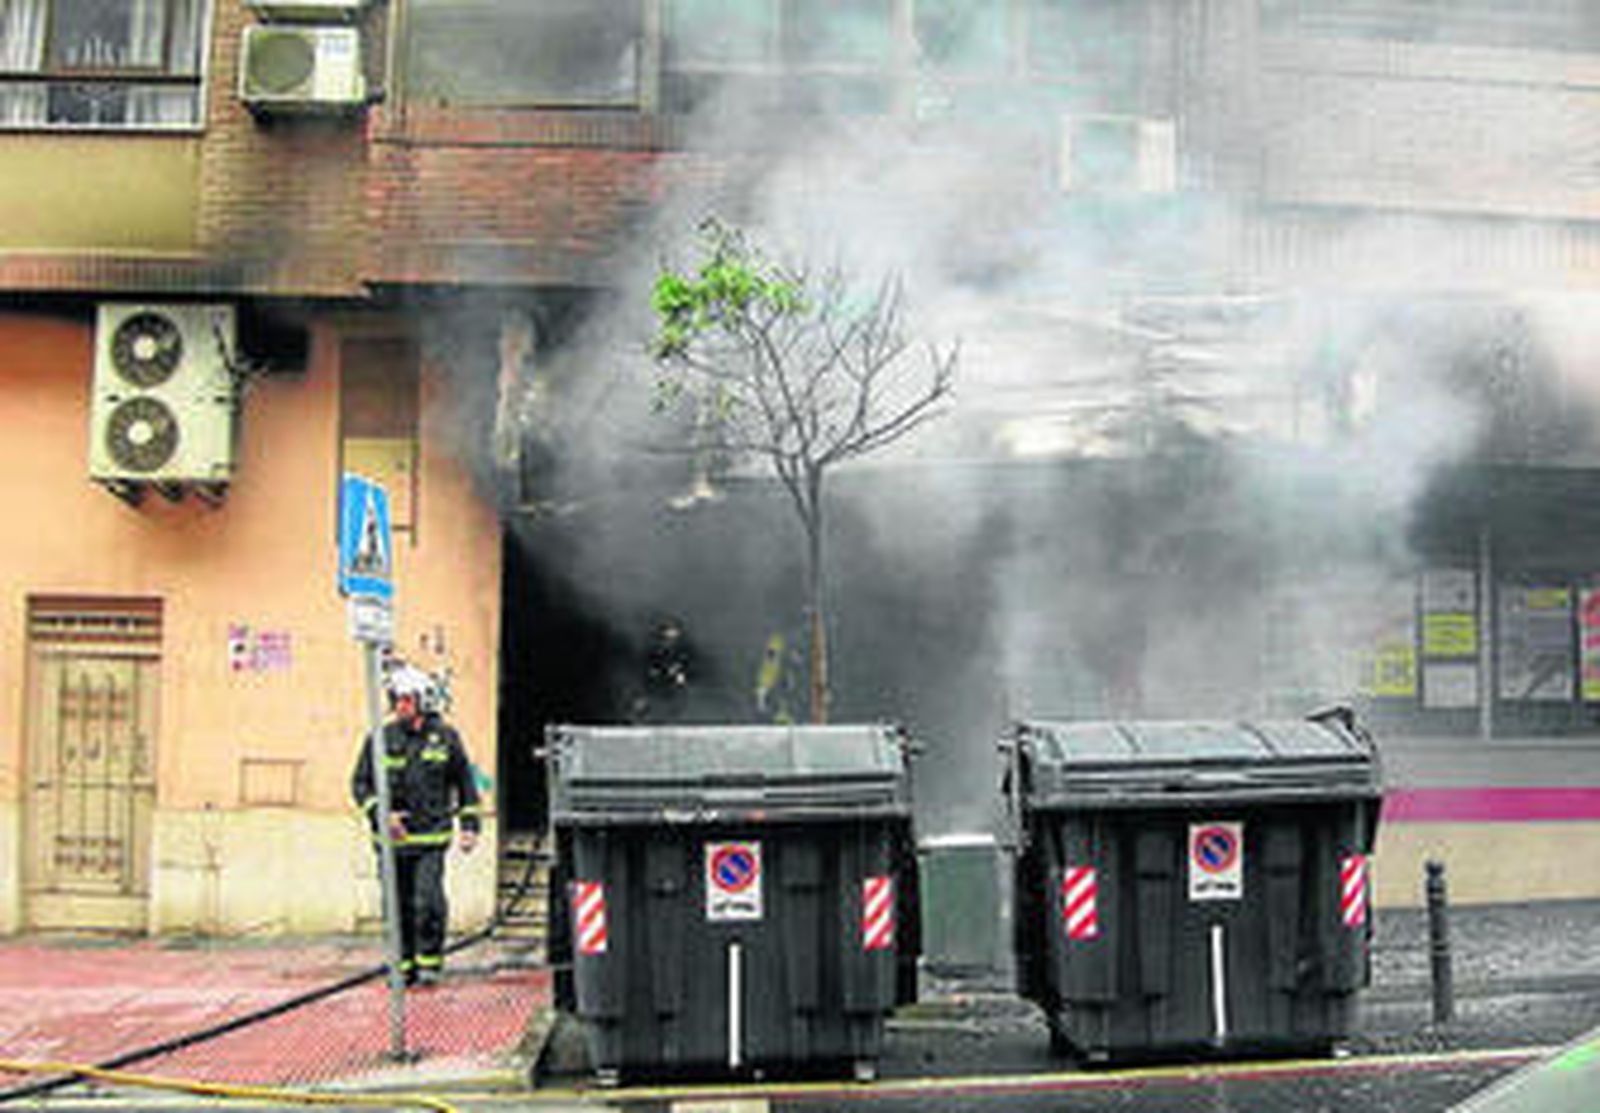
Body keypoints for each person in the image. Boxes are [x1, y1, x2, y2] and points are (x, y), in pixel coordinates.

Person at [351, 663, 482, 987]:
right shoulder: (380, 739)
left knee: (427, 902)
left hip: (430, 838)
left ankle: (429, 965)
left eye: (406, 700)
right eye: (396, 700)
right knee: (396, 907)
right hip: (391, 842)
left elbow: (465, 784)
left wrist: (470, 826)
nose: (399, 706)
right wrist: (382, 814)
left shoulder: (446, 738)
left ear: (422, 701)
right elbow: (360, 784)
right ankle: (402, 966)